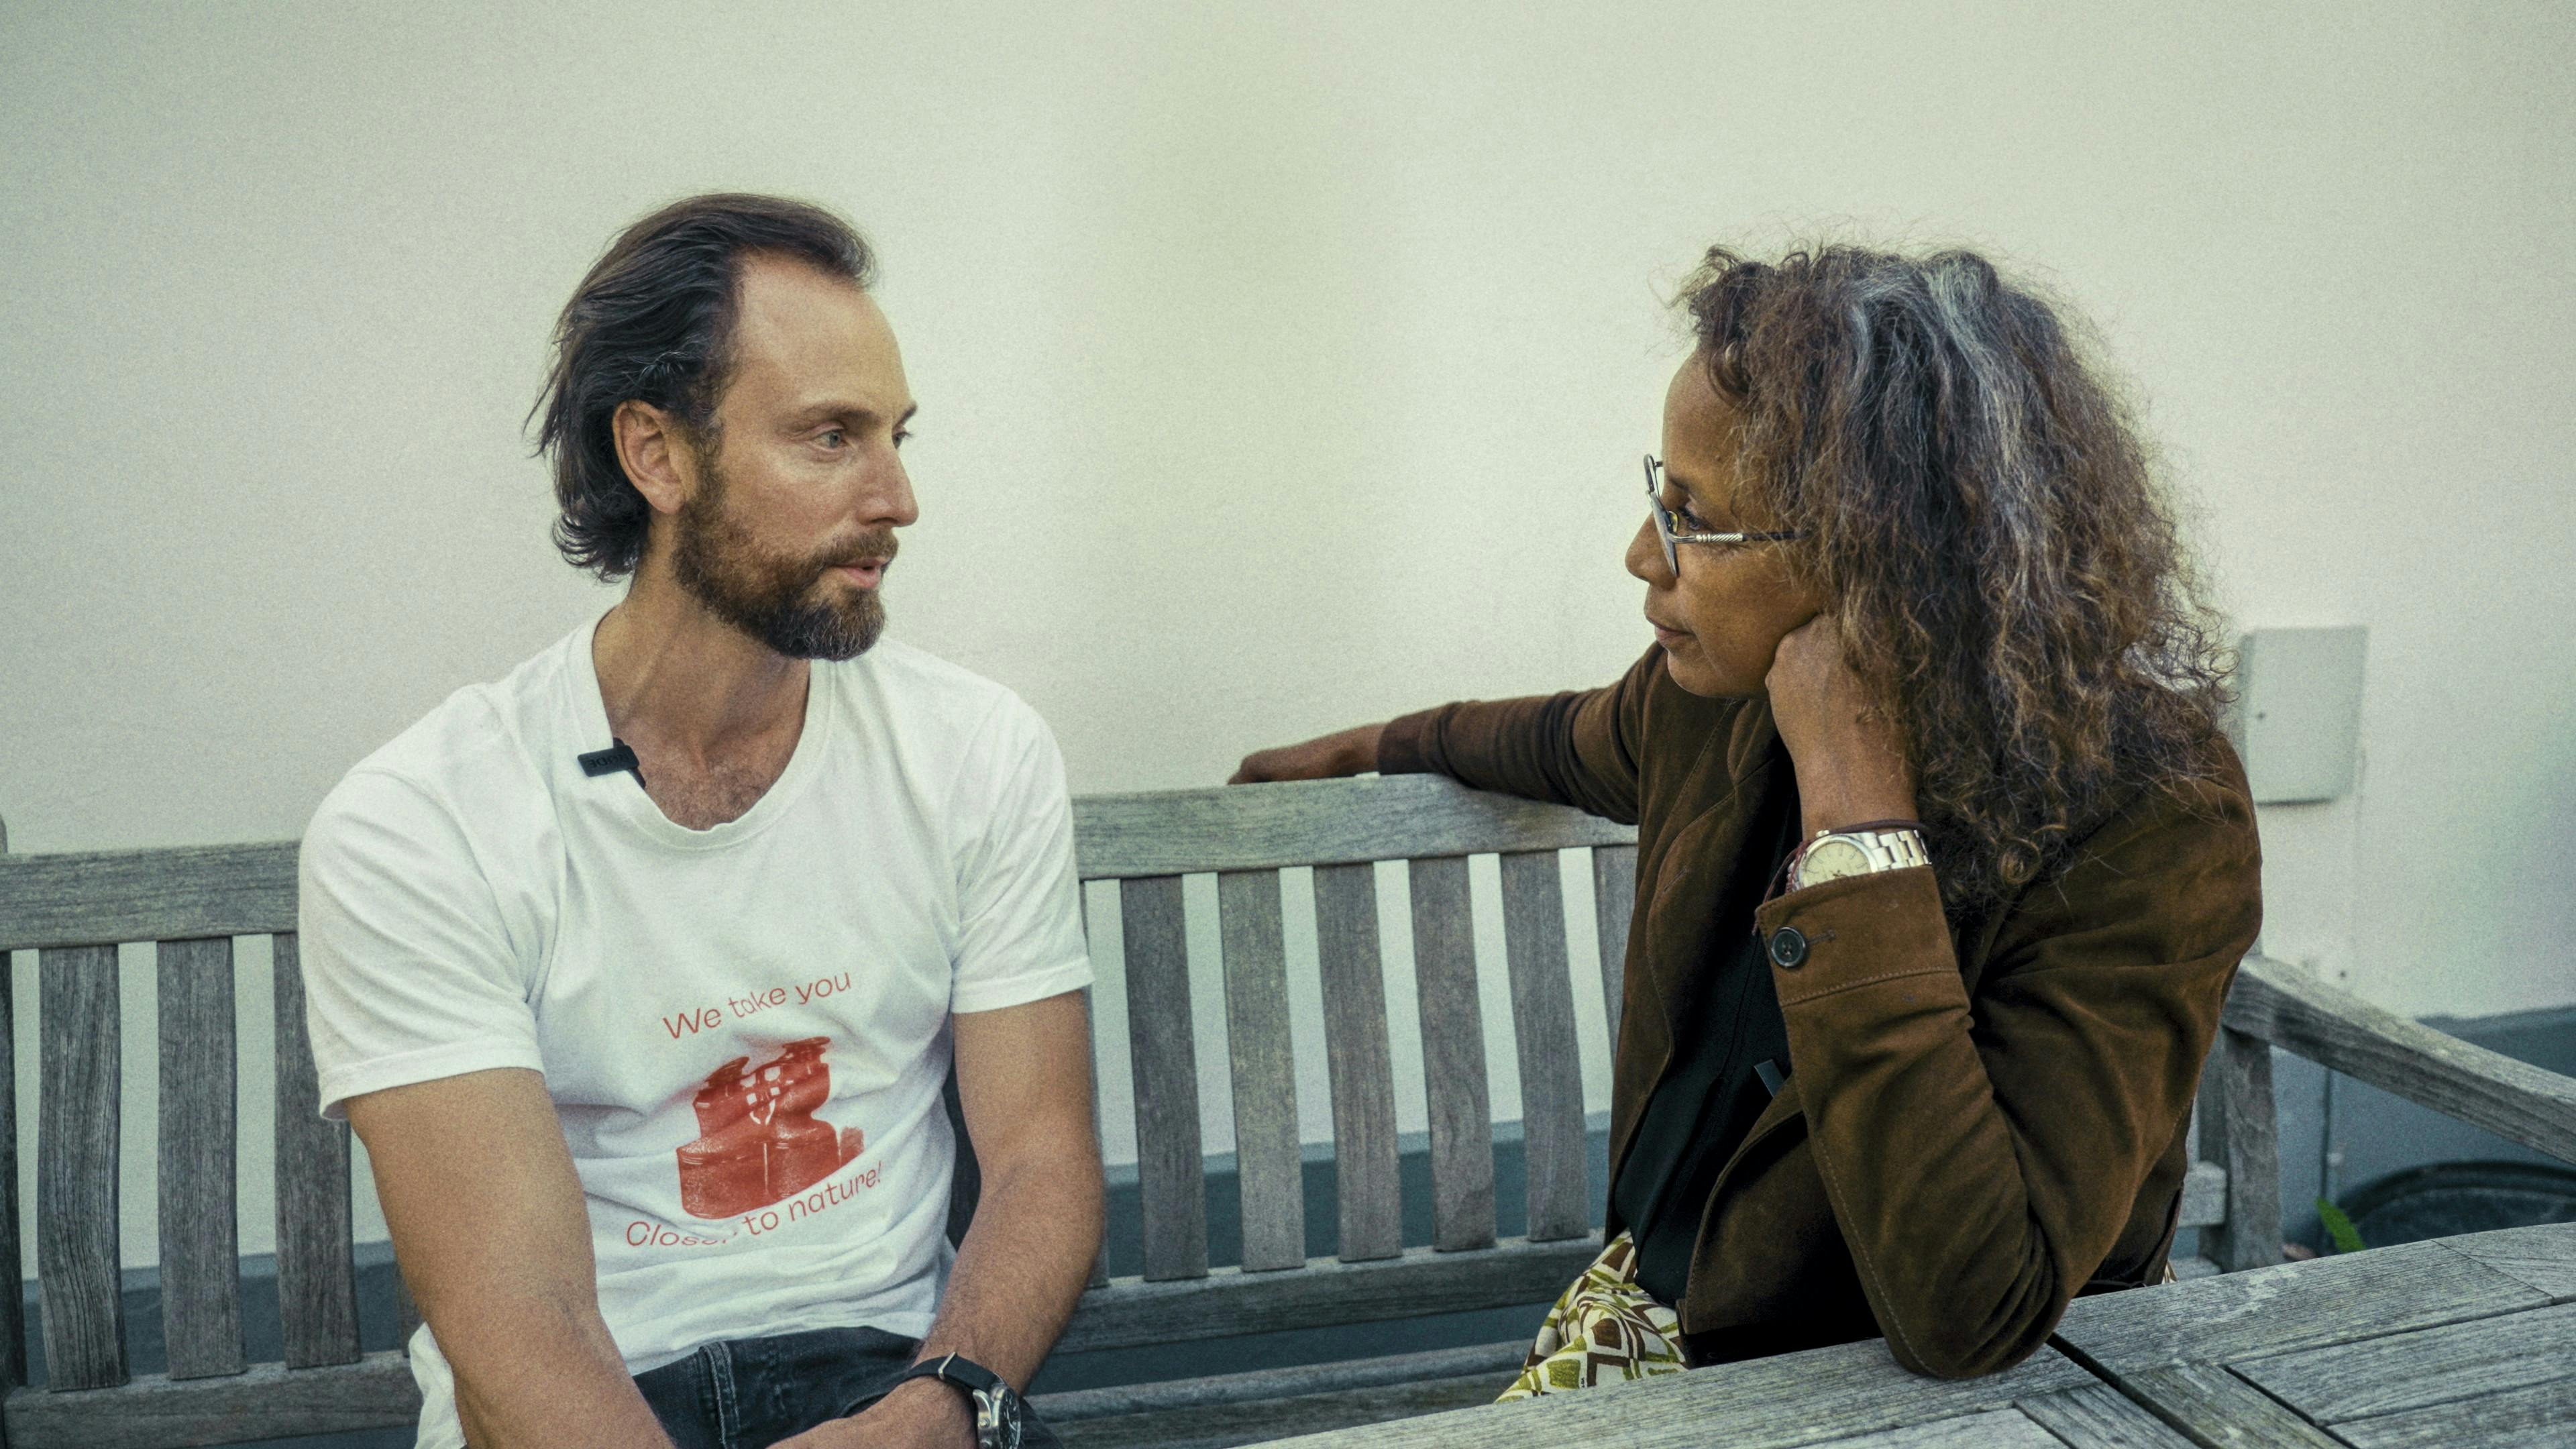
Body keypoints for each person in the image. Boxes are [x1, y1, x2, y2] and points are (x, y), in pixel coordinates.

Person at [1234, 243, 2263, 1386]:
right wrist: (1374, 745)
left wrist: (1859, 824)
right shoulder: (1709, 700)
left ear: (1880, 557)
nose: (1642, 557)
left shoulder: (2149, 815)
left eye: (1692, 517)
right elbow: (1558, 738)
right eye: (1654, 496)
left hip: (1941, 1403)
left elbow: (1973, 1310)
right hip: (1660, 1345)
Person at [300, 194, 1101, 1449]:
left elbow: (1044, 1162)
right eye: (830, 437)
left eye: (895, 435)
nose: (898, 496)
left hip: (893, 1380)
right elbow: (518, 1321)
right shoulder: (422, 823)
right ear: (657, 456)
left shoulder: (974, 752)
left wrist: (946, 1406)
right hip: (597, 1404)